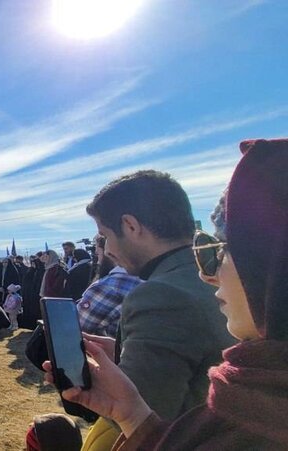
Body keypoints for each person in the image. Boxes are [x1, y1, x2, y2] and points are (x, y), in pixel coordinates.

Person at [49, 139, 288, 450]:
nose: (209, 275)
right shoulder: (261, 370)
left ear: (131, 226)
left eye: (222, 250)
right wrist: (134, 411)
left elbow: (158, 413)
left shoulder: (159, 296)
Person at [78, 169, 236, 449]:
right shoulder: (217, 277)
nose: (108, 249)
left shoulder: (160, 295)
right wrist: (123, 355)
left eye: (104, 236)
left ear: (130, 226)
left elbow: (140, 421)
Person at [76, 240, 141, 337]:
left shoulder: (107, 287)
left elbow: (75, 328)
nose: (98, 262)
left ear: (110, 254)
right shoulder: (149, 280)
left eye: (98, 255)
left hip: (109, 351)